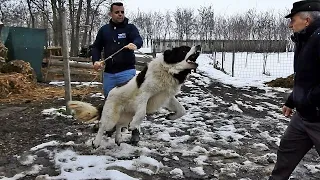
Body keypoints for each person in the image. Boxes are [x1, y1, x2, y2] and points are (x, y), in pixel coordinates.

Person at [269, 0, 320, 179]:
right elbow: (304, 77)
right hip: (302, 116)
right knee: (286, 154)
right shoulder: (304, 39)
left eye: (293, 20)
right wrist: (293, 100)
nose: (290, 25)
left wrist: (308, 100)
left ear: (306, 20)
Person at [91, 2, 143, 97]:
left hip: (126, 72)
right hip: (109, 73)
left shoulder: (130, 28)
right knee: (109, 100)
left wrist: (135, 44)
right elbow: (96, 47)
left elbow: (138, 39)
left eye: (122, 12)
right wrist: (95, 61)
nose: (120, 14)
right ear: (110, 14)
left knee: (127, 99)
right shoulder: (104, 30)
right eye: (117, 12)